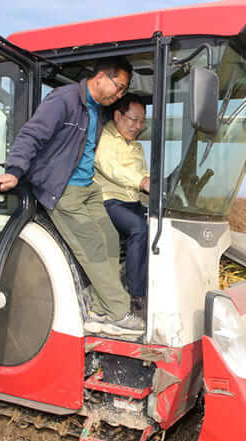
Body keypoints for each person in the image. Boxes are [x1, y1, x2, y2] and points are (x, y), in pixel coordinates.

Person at [0, 57, 144, 337]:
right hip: (63, 189)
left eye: (123, 91)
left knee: (110, 239)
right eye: (119, 87)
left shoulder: (98, 110)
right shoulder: (63, 100)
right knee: (92, 247)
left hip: (88, 188)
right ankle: (119, 312)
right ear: (100, 76)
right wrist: (15, 170)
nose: (119, 95)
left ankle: (100, 309)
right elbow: (32, 134)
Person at [93, 94, 149, 312]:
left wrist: (151, 183)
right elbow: (109, 167)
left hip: (132, 201)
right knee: (139, 228)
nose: (138, 126)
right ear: (117, 115)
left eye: (142, 121)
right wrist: (140, 181)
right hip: (109, 201)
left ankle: (149, 280)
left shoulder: (137, 147)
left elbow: (143, 172)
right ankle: (136, 295)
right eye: (133, 119)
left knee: (162, 223)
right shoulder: (105, 138)